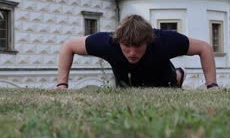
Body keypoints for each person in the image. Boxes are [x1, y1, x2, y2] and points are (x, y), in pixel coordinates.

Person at [56, 14, 219, 89]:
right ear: (118, 40)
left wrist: (212, 85)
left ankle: (178, 76)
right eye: (127, 46)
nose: (132, 52)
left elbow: (204, 48)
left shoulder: (164, 40)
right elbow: (68, 47)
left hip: (164, 81)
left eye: (138, 46)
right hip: (127, 84)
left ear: (149, 41)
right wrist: (62, 85)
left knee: (170, 82)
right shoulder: (107, 42)